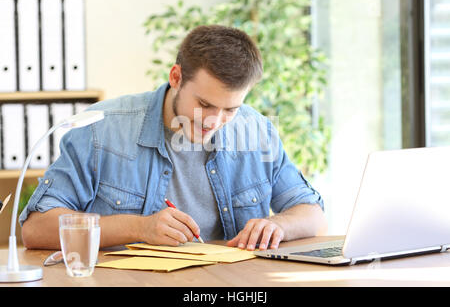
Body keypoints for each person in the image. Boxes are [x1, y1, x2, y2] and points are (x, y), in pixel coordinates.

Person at [20, 25, 327, 251]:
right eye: (204, 104)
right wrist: (139, 227)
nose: (214, 122)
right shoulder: (103, 130)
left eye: (230, 109)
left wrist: (277, 225)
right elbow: (36, 229)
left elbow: (313, 215)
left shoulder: (257, 131)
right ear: (176, 77)